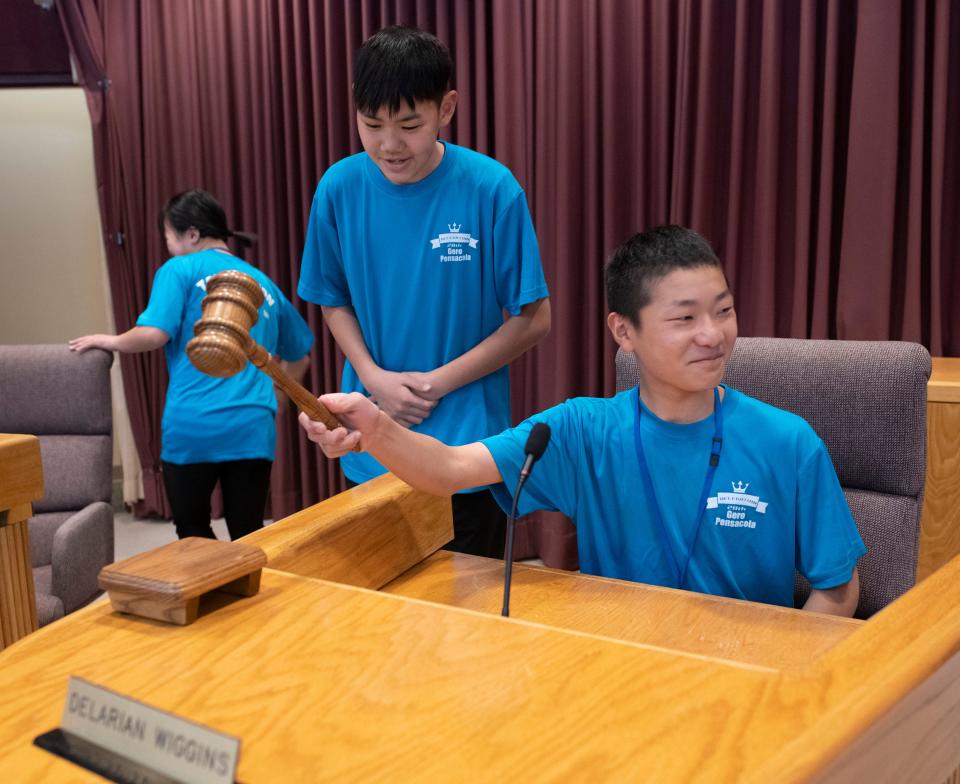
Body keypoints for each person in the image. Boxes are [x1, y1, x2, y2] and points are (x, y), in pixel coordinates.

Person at [298, 225, 865, 615]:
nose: (713, 335)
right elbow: (448, 469)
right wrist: (374, 428)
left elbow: (838, 591)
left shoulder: (788, 442)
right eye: (684, 318)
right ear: (624, 332)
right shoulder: (580, 433)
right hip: (619, 675)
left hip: (746, 692)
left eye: (723, 310)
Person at [297, 25, 551, 559]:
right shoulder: (338, 188)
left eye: (410, 125)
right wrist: (372, 377)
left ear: (447, 108)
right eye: (372, 125)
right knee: (380, 616)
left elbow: (533, 317)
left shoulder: (491, 188)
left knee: (466, 620)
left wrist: (433, 384)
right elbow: (330, 295)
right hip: (372, 445)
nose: (389, 145)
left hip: (466, 452)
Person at [70, 189, 314, 541]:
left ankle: (213, 595)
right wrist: (277, 398)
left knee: (193, 528)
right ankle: (253, 596)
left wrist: (110, 341)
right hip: (253, 423)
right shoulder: (265, 284)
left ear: (192, 234)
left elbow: (153, 334)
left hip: (194, 421)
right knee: (248, 531)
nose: (168, 246)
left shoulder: (179, 269)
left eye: (167, 237)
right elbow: (300, 354)